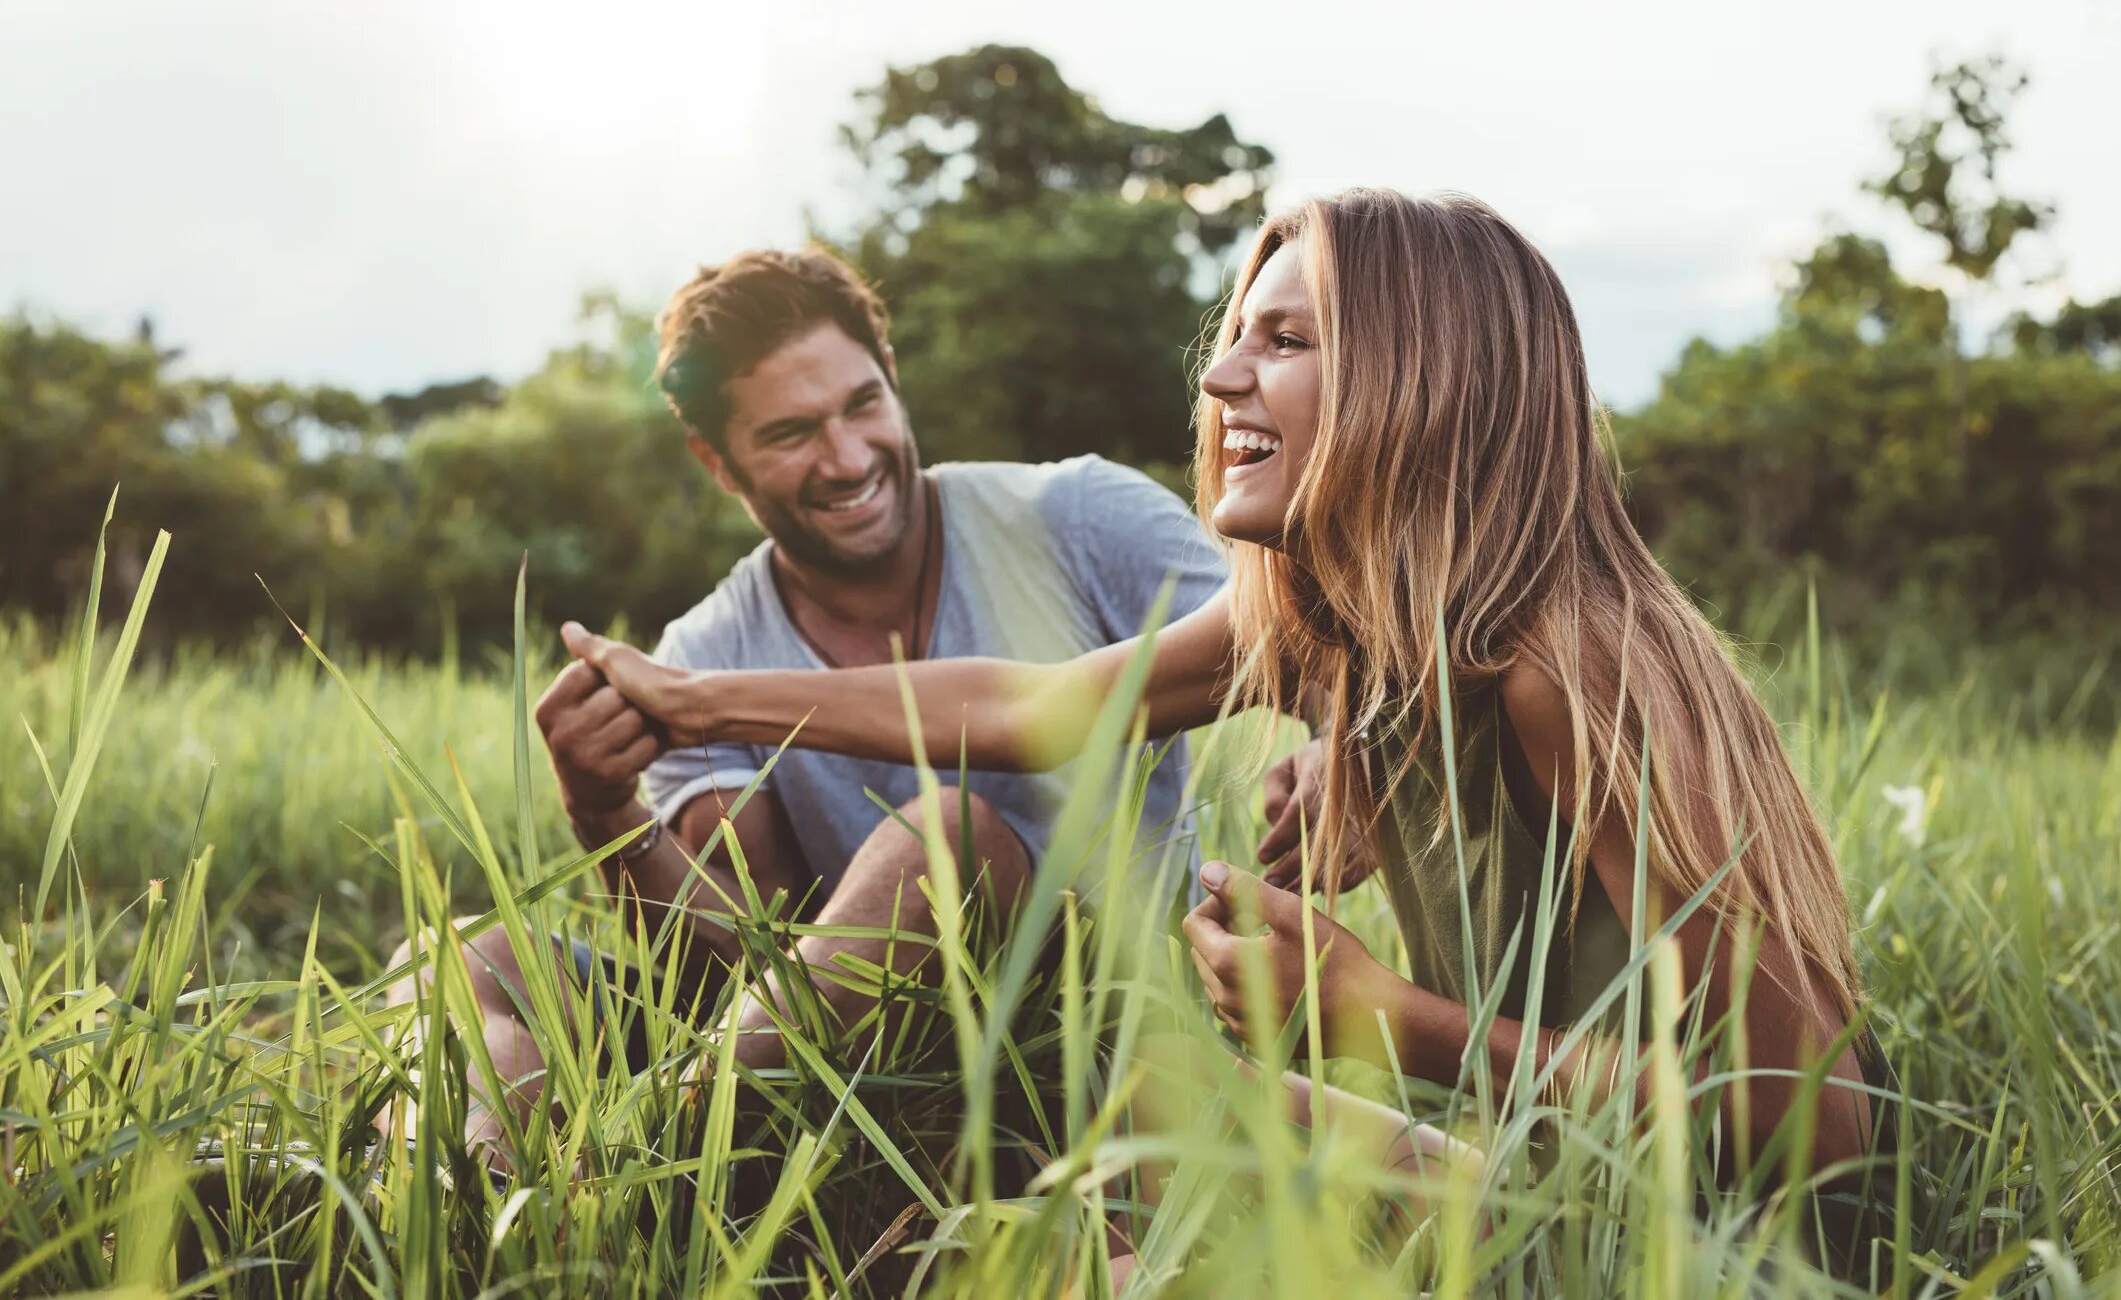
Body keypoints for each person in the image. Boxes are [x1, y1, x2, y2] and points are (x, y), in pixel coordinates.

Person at [565, 190, 1882, 1202]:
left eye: (1285, 339)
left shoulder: (1571, 667)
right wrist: (694, 700)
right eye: (1235, 335)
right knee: (1127, 1116)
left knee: (1147, 1183)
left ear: (1423, 381)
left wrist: (1389, 1019)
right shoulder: (1337, 622)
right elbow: (1032, 708)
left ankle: (617, 1175)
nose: (1217, 377)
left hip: (1680, 1237)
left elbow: (1811, 1121)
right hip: (1537, 1167)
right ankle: (642, 1175)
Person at [385, 246, 1233, 1159]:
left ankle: (629, 1166)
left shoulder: (1079, 516)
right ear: (718, 462)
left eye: (862, 405)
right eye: (790, 434)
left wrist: (1326, 746)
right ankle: (481, 1183)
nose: (846, 457)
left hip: (1091, 1036)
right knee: (459, 957)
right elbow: (735, 957)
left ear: (892, 379)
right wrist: (601, 812)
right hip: (835, 1062)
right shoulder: (703, 649)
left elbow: (1303, 647)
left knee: (949, 838)